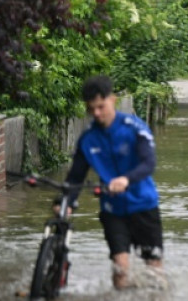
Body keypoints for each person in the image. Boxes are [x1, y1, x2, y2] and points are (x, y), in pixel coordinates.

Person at [59, 75, 164, 290]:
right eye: (91, 109)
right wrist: (65, 202)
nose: (96, 114)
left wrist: (126, 179)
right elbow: (76, 177)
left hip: (144, 205)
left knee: (154, 270)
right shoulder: (88, 139)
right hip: (112, 210)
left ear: (112, 99)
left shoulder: (135, 128)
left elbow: (149, 163)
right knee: (120, 268)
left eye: (100, 106)